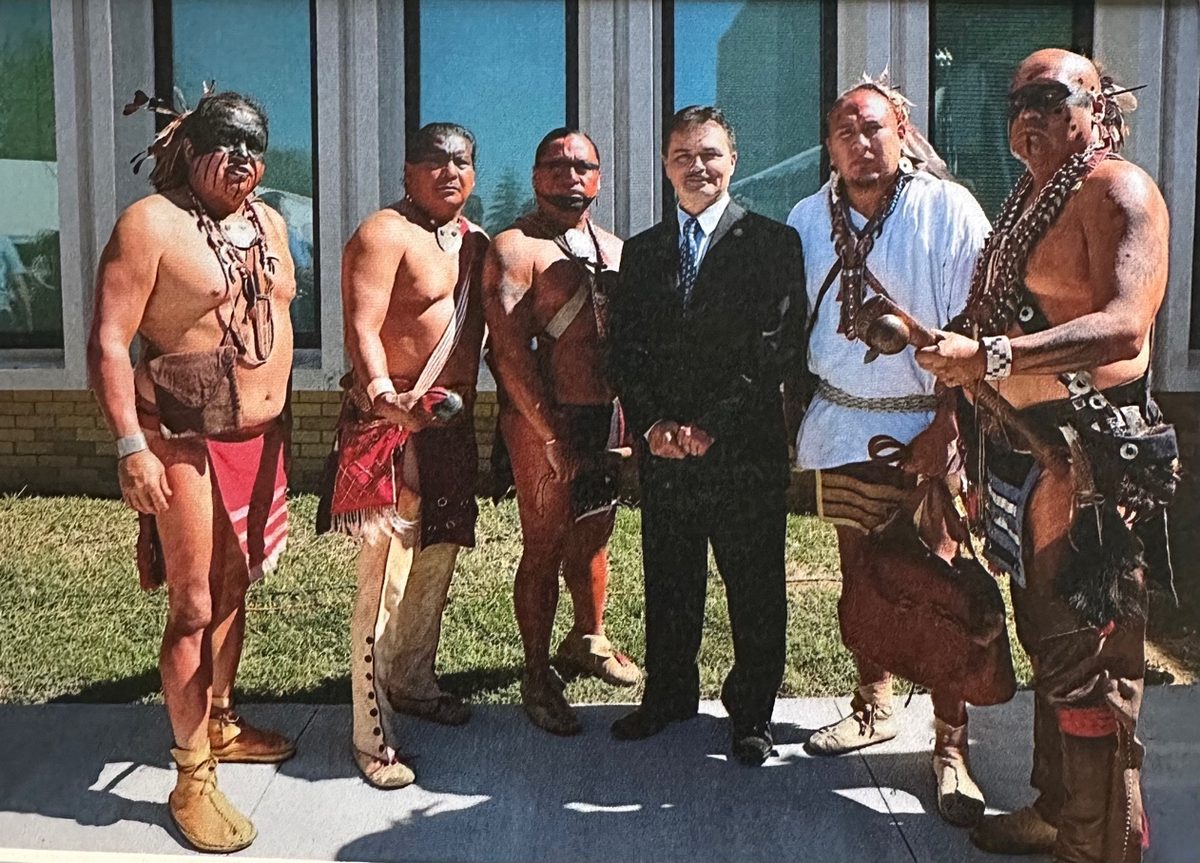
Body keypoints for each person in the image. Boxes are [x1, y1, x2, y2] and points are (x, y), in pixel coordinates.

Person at [918, 49, 1175, 862]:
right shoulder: (1029, 196)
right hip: (1022, 454)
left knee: (1089, 656)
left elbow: (1126, 330)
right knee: (1049, 639)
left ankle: (1101, 843)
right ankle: (1060, 809)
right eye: (1016, 99)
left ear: (1096, 105)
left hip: (1086, 458)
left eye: (1048, 95)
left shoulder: (1117, 191)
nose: (1026, 112)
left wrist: (990, 356)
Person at [87, 88, 296, 853]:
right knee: (193, 603)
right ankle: (190, 774)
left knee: (237, 585)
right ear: (187, 144)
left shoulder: (268, 222)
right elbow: (109, 341)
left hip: (258, 436)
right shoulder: (150, 224)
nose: (242, 158)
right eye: (225, 142)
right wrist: (129, 448)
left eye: (255, 144)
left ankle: (220, 717)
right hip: (181, 435)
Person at [786, 79, 993, 826]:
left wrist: (949, 423)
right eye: (845, 132)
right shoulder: (809, 217)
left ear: (902, 130)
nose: (860, 143)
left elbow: (976, 321)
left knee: (937, 580)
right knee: (863, 574)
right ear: (831, 145)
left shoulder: (948, 208)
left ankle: (950, 744)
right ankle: (872, 703)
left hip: (926, 425)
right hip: (842, 422)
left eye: (873, 128)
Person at [607, 105, 805, 765]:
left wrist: (709, 425)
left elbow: (774, 348)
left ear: (733, 161)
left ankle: (751, 713)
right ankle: (668, 695)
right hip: (666, 455)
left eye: (710, 153)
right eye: (683, 156)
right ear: (666, 166)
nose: (698, 167)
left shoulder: (773, 244)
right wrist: (654, 424)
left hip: (743, 450)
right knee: (670, 579)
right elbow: (626, 351)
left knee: (754, 586)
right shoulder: (642, 252)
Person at [322, 123, 487, 789]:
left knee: (438, 554)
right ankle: (371, 727)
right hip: (388, 424)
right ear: (407, 170)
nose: (449, 171)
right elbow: (361, 324)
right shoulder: (382, 233)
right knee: (384, 576)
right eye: (433, 160)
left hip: (449, 425)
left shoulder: (473, 241)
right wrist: (387, 394)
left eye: (461, 161)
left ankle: (414, 680)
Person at [482, 128, 641, 735]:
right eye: (556, 165)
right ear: (535, 175)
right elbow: (508, 358)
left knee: (595, 536)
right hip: (541, 419)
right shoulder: (515, 249)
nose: (570, 175)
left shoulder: (617, 248)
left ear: (598, 179)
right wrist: (548, 431)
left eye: (583, 166)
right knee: (544, 545)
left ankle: (588, 639)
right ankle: (536, 669)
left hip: (606, 415)